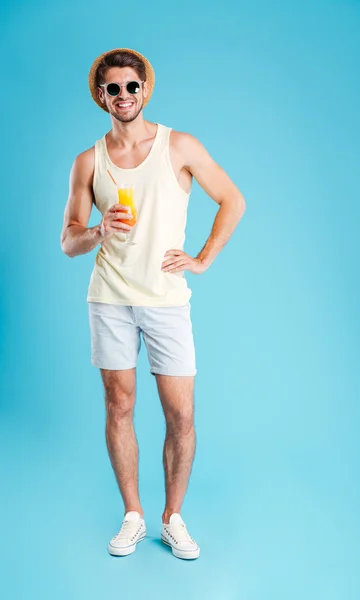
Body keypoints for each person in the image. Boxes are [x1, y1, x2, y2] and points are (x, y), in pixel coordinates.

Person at [60, 47, 246, 560]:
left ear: (146, 90)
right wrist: (97, 230)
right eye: (113, 88)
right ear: (101, 95)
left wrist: (203, 258)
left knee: (180, 415)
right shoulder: (87, 162)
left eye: (131, 87)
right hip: (110, 299)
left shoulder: (178, 146)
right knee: (119, 407)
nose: (123, 95)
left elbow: (233, 199)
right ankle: (134, 516)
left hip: (166, 301)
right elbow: (68, 241)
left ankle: (174, 518)